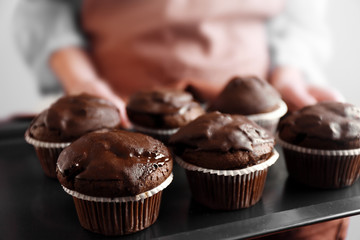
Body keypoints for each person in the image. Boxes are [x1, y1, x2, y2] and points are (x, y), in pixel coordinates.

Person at [13, 0, 347, 239]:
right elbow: (42, 10)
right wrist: (85, 85)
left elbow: (299, 16)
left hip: (249, 106)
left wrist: (289, 76)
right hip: (120, 106)